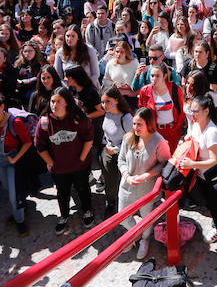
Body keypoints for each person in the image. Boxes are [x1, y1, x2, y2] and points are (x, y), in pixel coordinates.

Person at [178, 94, 217, 262]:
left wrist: (192, 163)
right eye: (191, 110)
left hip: (214, 179)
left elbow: (214, 160)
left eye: (196, 111)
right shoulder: (195, 124)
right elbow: (192, 140)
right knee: (213, 210)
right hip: (201, 176)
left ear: (207, 111)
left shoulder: (212, 132)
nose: (192, 114)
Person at [34, 86, 95, 234]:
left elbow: (88, 139)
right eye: (52, 101)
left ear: (67, 102)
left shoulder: (78, 118)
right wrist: (52, 163)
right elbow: (40, 146)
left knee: (83, 189)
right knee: (62, 192)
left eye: (58, 101)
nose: (54, 105)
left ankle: (87, 211)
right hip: (59, 169)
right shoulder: (45, 122)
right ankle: (64, 216)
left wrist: (81, 158)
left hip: (79, 166)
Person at [117, 107, 170, 259]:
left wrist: (147, 175)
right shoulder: (128, 138)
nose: (135, 128)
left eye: (139, 124)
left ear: (149, 124)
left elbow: (165, 163)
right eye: (134, 124)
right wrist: (127, 176)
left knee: (147, 219)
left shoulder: (159, 141)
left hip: (147, 190)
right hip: (126, 187)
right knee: (122, 217)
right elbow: (121, 160)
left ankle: (144, 239)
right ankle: (135, 235)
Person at [0, 92, 32, 237]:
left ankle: (20, 221)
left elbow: (28, 142)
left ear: (2, 106)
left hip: (12, 162)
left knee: (12, 195)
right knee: (9, 190)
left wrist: (15, 159)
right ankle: (21, 208)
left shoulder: (15, 122)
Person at [98, 87, 133, 218]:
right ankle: (111, 203)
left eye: (107, 101)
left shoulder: (127, 118)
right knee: (110, 180)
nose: (104, 105)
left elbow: (132, 140)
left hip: (125, 154)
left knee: (126, 182)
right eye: (102, 102)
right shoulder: (107, 114)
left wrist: (116, 150)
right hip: (108, 151)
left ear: (117, 100)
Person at [137, 61, 185, 149]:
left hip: (172, 132)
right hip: (153, 132)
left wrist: (176, 128)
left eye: (158, 76)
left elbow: (182, 111)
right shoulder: (145, 91)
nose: (154, 79)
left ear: (165, 76)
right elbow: (142, 113)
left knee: (171, 160)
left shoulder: (175, 88)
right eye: (152, 76)